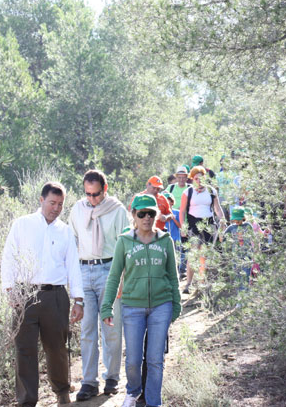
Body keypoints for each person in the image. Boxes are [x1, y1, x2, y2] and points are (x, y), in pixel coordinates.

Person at [1, 181, 84, 406]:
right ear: (41, 200)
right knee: (24, 350)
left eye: (60, 204)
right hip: (24, 294)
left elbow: (73, 267)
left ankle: (62, 392)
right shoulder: (22, 225)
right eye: (52, 203)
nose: (56, 208)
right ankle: (27, 400)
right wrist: (9, 290)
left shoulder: (65, 231)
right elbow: (9, 257)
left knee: (57, 348)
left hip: (55, 296)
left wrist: (78, 299)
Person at [100, 194, 181, 407]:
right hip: (132, 306)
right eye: (141, 213)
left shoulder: (165, 240)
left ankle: (154, 402)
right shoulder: (124, 241)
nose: (146, 217)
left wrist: (176, 305)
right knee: (133, 360)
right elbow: (114, 275)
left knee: (155, 360)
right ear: (133, 215)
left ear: (156, 215)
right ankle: (133, 392)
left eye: (151, 213)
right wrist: (107, 306)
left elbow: (173, 276)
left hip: (161, 306)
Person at [69, 170, 130, 401]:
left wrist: (122, 278)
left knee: (111, 327)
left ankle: (112, 377)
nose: (92, 199)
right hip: (84, 270)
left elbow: (124, 245)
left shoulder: (117, 210)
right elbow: (72, 241)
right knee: (87, 329)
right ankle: (89, 382)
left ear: (105, 189)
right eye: (88, 194)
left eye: (96, 194)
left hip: (109, 270)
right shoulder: (77, 209)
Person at [179, 166, 226, 294]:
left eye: (201, 178)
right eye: (196, 178)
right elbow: (182, 211)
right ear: (192, 179)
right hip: (194, 224)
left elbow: (217, 208)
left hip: (208, 224)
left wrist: (222, 220)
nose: (199, 181)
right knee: (193, 253)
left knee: (204, 255)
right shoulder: (187, 192)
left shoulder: (211, 191)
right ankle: (188, 283)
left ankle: (201, 282)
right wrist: (183, 226)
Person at [220, 207, 257, 289]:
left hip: (247, 257)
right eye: (235, 219)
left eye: (238, 219)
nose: (236, 221)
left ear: (243, 218)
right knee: (237, 278)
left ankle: (244, 298)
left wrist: (255, 251)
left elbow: (254, 238)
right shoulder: (231, 228)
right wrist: (221, 229)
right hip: (235, 258)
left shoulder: (248, 226)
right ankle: (239, 298)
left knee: (245, 278)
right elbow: (223, 239)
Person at [162, 191, 184, 278]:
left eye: (168, 200)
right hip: (164, 239)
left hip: (175, 239)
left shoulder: (177, 212)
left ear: (172, 201)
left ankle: (176, 276)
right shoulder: (161, 214)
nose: (167, 203)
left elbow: (180, 226)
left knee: (176, 258)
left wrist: (172, 217)